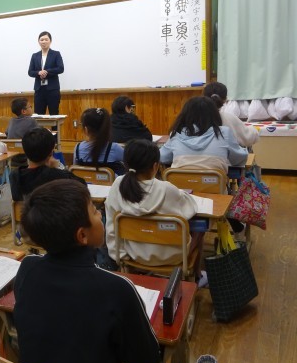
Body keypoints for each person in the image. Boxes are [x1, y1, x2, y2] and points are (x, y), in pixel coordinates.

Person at [14, 179, 161, 363]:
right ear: (82, 235)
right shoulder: (117, 289)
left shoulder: (27, 268)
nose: (100, 214)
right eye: (94, 211)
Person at [105, 139, 199, 267]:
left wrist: (120, 255)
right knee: (198, 230)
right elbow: (190, 208)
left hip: (133, 254)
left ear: (126, 163)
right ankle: (196, 274)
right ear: (155, 166)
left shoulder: (118, 185)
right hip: (173, 256)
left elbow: (111, 223)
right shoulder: (166, 188)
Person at [159, 96, 248, 174]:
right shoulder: (223, 133)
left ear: (184, 114)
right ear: (214, 114)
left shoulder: (176, 133)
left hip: (179, 187)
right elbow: (239, 159)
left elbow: (162, 157)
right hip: (215, 187)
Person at [10, 128, 83, 201]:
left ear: (24, 151)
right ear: (51, 153)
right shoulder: (57, 175)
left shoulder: (15, 176)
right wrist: (59, 167)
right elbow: (82, 185)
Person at [203, 81, 259, 147]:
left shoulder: (196, 118)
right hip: (225, 153)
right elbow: (248, 138)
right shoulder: (230, 118)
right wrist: (254, 130)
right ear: (225, 99)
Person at [74, 108, 125, 175]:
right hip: (110, 182)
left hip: (84, 181)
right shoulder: (114, 148)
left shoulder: (78, 148)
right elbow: (131, 163)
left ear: (86, 130)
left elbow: (75, 170)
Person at [27, 31, 64, 115]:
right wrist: (38, 73)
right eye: (42, 40)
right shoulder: (35, 55)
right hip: (39, 90)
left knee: (54, 114)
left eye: (46, 39)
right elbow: (30, 72)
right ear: (38, 41)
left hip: (52, 90)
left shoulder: (56, 54)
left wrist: (47, 72)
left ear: (50, 41)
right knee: (38, 115)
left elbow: (60, 68)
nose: (44, 42)